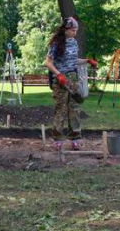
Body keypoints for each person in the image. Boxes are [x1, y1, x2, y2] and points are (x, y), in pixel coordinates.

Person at [42, 17, 98, 150]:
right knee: (60, 110)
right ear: (66, 29)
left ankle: (75, 138)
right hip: (60, 79)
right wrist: (59, 74)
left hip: (73, 78)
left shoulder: (74, 42)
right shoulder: (56, 43)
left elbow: (73, 61)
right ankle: (58, 139)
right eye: (73, 30)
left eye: (76, 30)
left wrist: (87, 61)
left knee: (75, 109)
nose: (75, 32)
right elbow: (47, 63)